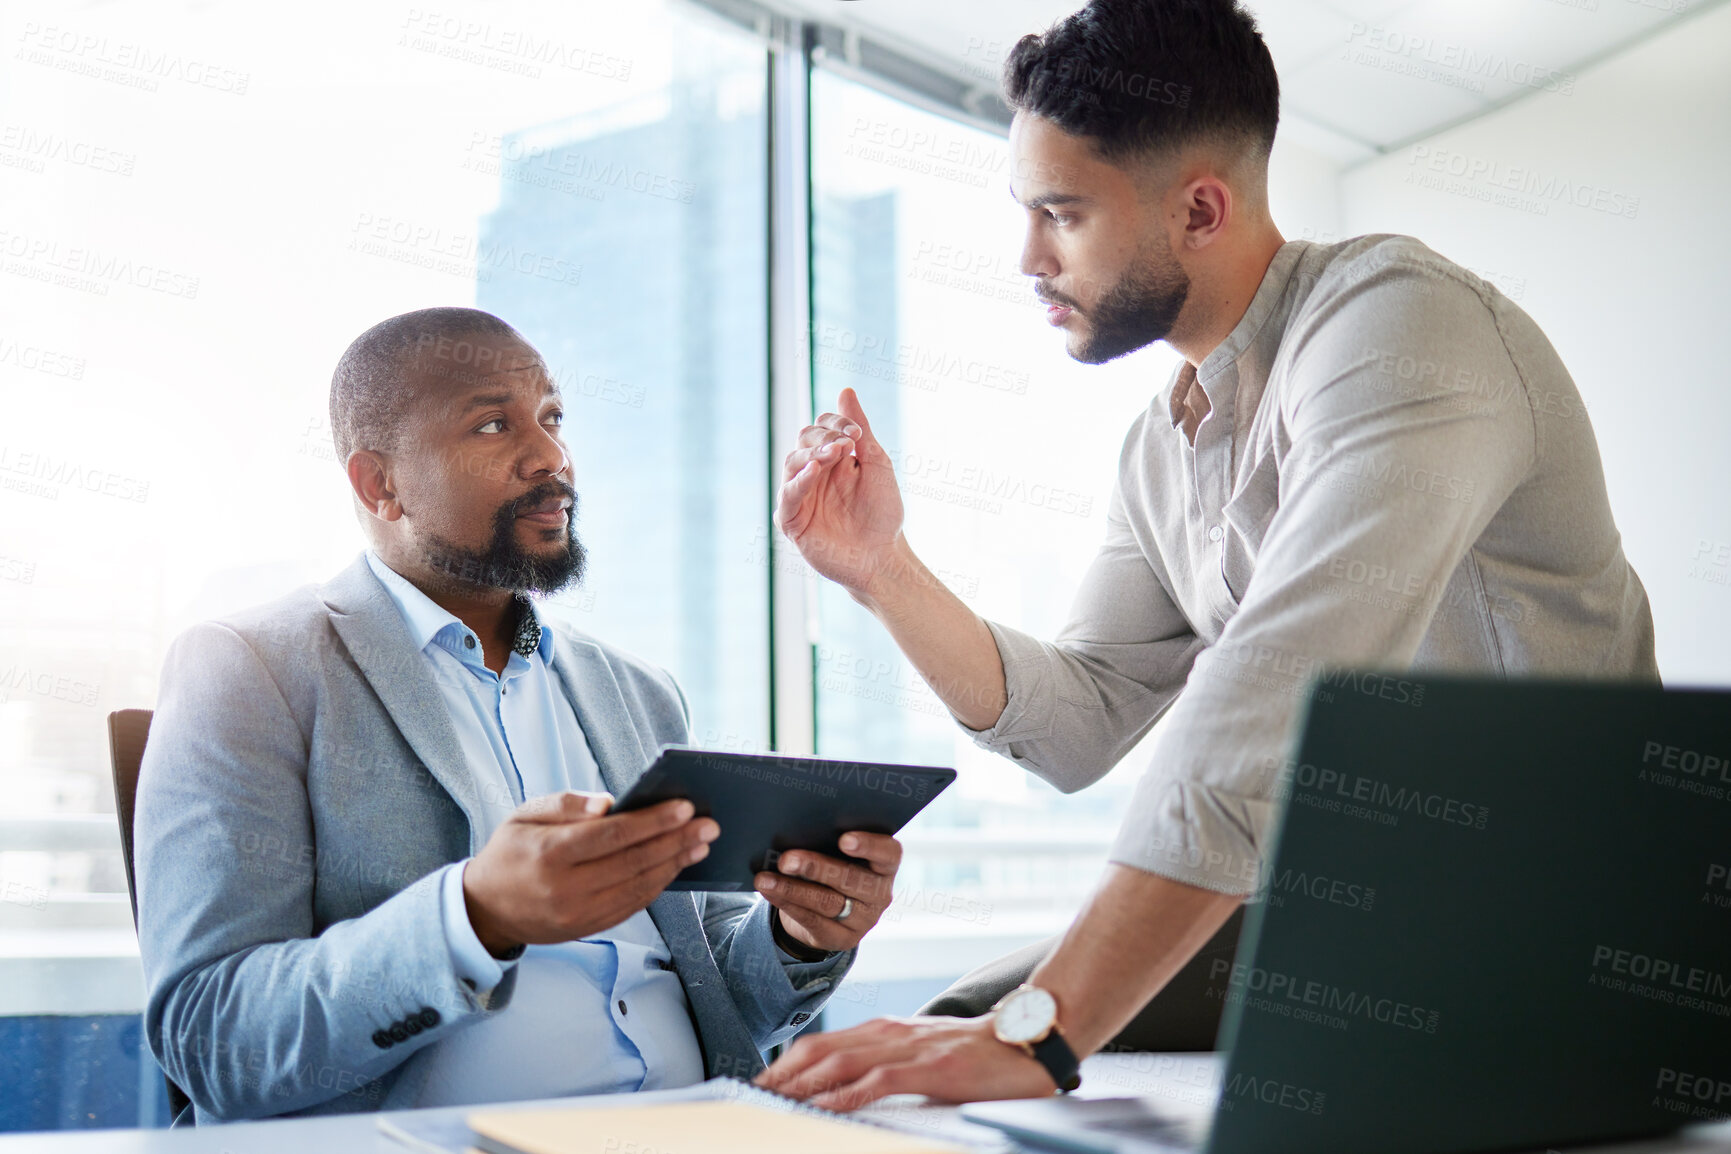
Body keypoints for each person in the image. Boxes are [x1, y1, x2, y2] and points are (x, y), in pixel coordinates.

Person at [757, 0, 1656, 1109]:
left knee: (1017, 1024)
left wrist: (1040, 1034)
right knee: (956, 1019)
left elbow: (1279, 691)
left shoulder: (1402, 326)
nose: (1027, 257)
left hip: (1555, 924)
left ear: (1199, 207)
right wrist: (881, 569)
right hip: (1355, 918)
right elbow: (1080, 718)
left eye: (1063, 213)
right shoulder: (1163, 443)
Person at [134, 308, 902, 1124]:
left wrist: (800, 934)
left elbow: (726, 1007)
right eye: (495, 424)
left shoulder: (639, 692)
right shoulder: (251, 669)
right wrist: (474, 916)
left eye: (553, 418)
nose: (551, 457)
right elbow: (212, 1037)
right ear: (379, 483)